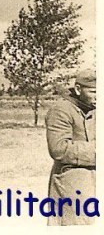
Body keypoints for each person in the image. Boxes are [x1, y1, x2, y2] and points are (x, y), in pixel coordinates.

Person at [45, 69, 96, 225]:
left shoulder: (96, 108)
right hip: (71, 181)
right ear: (78, 89)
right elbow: (59, 149)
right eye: (94, 91)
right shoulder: (61, 110)